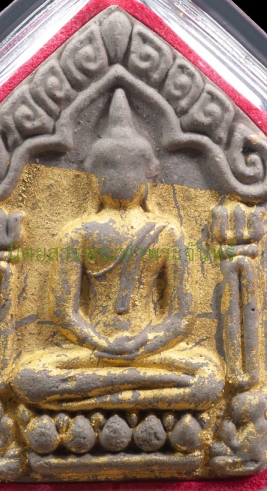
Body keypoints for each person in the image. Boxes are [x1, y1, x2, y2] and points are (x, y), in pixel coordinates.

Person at [12, 89, 225, 413]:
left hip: (150, 352)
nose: (120, 178)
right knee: (29, 376)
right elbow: (64, 313)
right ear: (94, 178)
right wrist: (99, 343)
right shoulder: (79, 233)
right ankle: (145, 398)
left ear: (147, 176)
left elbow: (181, 316)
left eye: (129, 168)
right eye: (110, 169)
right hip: (94, 353)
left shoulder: (167, 232)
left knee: (210, 376)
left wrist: (145, 343)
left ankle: (93, 402)